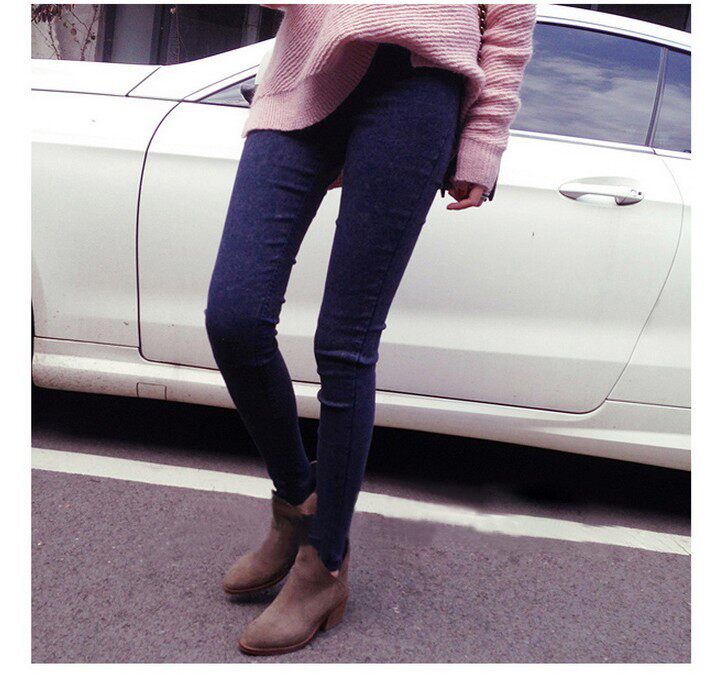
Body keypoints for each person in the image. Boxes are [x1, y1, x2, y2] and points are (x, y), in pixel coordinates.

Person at [204, 3, 537, 656]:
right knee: (234, 318)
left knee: (345, 343)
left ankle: (323, 565)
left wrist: (482, 142)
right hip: (307, 69)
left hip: (418, 88)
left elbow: (509, 24)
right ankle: (298, 500)